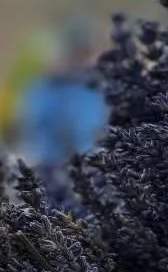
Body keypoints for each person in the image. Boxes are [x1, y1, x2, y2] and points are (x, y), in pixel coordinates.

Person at [16, 20, 106, 169]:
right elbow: (31, 121)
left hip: (90, 163)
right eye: (78, 53)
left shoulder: (97, 84)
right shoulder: (48, 84)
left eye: (85, 53)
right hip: (51, 163)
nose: (81, 60)